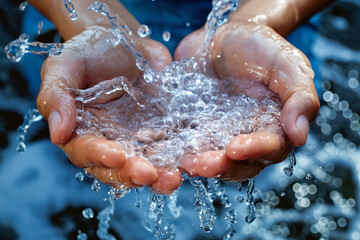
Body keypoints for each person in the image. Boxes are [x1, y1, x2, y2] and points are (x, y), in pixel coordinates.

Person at [26, 0, 333, 194]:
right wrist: (92, 23)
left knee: (257, 154)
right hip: (80, 18)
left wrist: (255, 21)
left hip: (268, 19)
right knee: (76, 125)